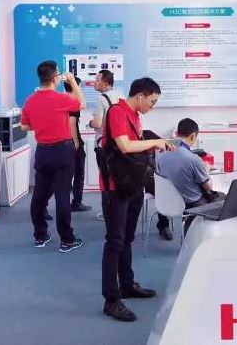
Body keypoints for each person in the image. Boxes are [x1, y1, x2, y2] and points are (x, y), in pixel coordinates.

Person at [99, 77, 173, 322]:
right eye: (152, 101)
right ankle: (111, 300)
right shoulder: (117, 112)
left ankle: (127, 284)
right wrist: (156, 142)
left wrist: (151, 145)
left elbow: (135, 147)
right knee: (115, 241)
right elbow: (124, 146)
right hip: (115, 188)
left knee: (127, 238)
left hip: (132, 184)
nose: (152, 106)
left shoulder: (134, 116)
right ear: (140, 95)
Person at [21, 61, 85, 253]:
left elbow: (24, 126)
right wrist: (72, 82)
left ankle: (40, 235)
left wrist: (42, 124)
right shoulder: (61, 99)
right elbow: (81, 103)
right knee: (62, 195)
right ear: (55, 78)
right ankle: (67, 240)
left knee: (39, 196)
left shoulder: (30, 101)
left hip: (43, 152)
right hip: (62, 151)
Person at [156, 118, 223, 234]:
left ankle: (163, 226)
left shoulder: (161, 154)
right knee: (221, 199)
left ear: (177, 134)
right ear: (193, 136)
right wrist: (206, 169)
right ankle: (194, 236)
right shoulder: (193, 159)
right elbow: (209, 187)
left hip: (165, 201)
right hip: (191, 203)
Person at [89, 70, 121, 221]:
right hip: (118, 143)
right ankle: (118, 211)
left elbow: (97, 123)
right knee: (117, 178)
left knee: (105, 180)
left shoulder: (101, 98)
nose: (94, 82)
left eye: (97, 80)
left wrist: (90, 123)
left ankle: (107, 213)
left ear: (106, 83)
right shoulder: (120, 95)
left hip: (103, 145)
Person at [63, 78, 91, 212]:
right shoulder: (73, 101)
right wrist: (76, 143)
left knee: (64, 175)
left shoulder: (62, 99)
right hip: (72, 142)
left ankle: (63, 203)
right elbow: (72, 123)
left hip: (62, 142)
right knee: (79, 174)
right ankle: (76, 202)